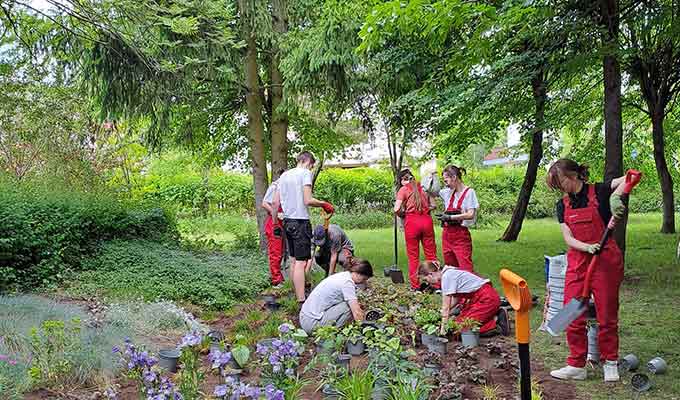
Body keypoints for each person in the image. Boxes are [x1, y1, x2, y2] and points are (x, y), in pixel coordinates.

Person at [545, 159, 629, 383]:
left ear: (573, 175)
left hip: (605, 260)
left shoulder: (600, 190)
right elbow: (567, 237)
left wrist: (615, 197)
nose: (560, 187)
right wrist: (587, 247)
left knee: (606, 313)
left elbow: (630, 177)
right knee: (571, 312)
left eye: (560, 181)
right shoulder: (562, 204)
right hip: (578, 259)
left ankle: (610, 362)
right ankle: (576, 364)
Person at [271, 152, 334, 304]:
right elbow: (307, 200)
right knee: (301, 262)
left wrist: (275, 224)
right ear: (308, 162)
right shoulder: (305, 173)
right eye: (312, 166)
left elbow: (275, 203)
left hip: (287, 222)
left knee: (293, 260)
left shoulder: (284, 176)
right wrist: (324, 204)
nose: (312, 169)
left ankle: (296, 292)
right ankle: (301, 299)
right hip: (300, 223)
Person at [418, 261, 508, 336]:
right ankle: (494, 314)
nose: (428, 283)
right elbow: (456, 299)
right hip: (483, 298)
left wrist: (443, 329)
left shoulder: (446, 277)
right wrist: (443, 314)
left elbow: (445, 307)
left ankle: (497, 325)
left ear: (430, 274)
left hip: (486, 299)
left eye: (426, 280)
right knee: (458, 321)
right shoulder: (448, 272)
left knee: (460, 329)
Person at [299, 258, 373, 333]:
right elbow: (356, 312)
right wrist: (366, 329)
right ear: (358, 274)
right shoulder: (347, 283)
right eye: (364, 279)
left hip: (304, 317)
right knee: (348, 307)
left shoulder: (343, 275)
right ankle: (332, 334)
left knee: (351, 304)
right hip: (311, 323)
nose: (363, 282)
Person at [393, 169, 438, 290]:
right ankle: (437, 284)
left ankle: (416, 285)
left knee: (413, 256)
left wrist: (403, 214)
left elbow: (396, 209)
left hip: (412, 222)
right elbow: (434, 205)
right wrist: (425, 209)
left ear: (402, 180)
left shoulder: (403, 189)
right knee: (431, 254)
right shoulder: (423, 187)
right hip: (426, 221)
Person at [434, 165, 479, 272]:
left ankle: (470, 288)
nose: (445, 184)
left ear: (454, 177)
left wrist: (450, 217)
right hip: (447, 235)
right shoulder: (447, 192)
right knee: (450, 268)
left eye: (446, 180)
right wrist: (432, 176)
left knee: (465, 268)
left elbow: (470, 214)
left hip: (460, 235)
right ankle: (453, 288)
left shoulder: (469, 192)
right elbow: (430, 190)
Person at [261, 169, 286, 288]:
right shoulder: (275, 187)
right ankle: (276, 280)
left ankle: (280, 277)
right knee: (275, 253)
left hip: (281, 223)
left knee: (280, 252)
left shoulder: (286, 188)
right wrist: (275, 214)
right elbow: (265, 203)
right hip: (274, 223)